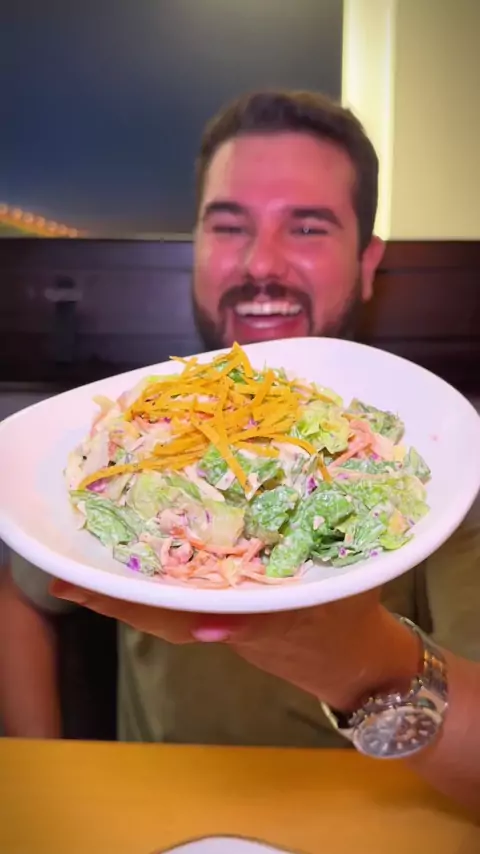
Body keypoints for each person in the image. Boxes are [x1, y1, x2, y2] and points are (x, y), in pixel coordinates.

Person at [1, 90, 479, 765]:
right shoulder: (130, 440)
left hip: (360, 804)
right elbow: (21, 598)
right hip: (155, 800)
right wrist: (41, 770)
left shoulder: (431, 452)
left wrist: (363, 664)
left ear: (368, 263)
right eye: (228, 227)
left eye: (307, 228)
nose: (260, 264)